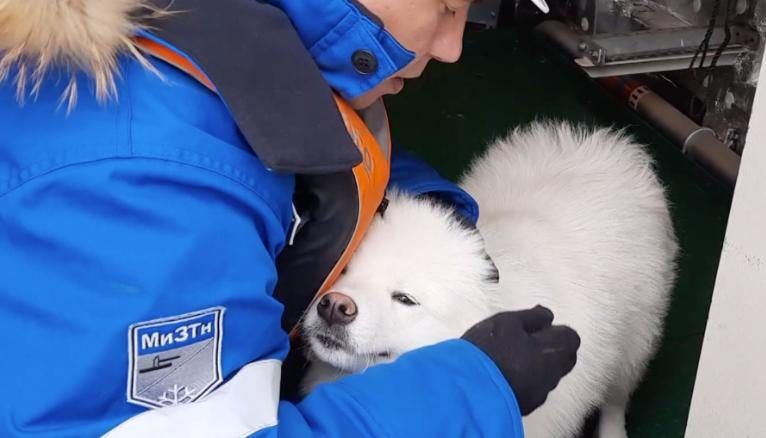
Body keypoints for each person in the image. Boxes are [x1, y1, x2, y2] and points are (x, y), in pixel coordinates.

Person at [0, 0, 580, 436]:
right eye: (446, 6)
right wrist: (465, 393)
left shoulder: (207, 36)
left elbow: (298, 151)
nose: (453, 46)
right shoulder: (142, 188)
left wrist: (424, 222)